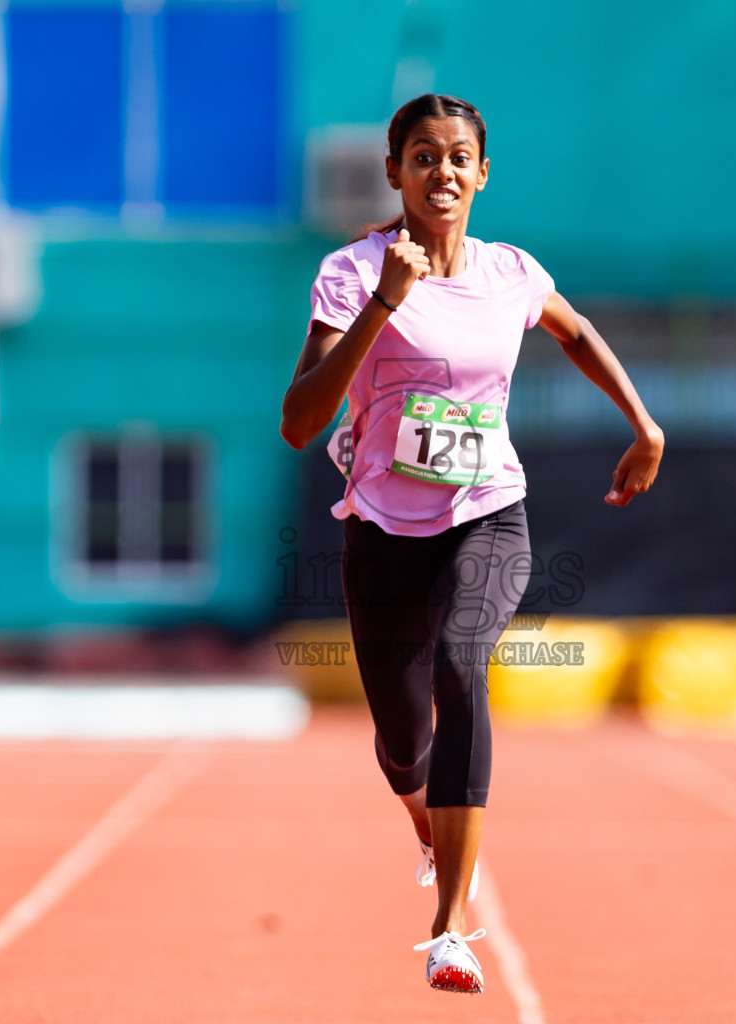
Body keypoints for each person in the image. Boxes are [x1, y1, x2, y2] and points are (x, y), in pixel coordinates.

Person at [280, 93, 663, 993]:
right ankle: (431, 823)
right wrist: (385, 302)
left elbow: (579, 333)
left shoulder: (511, 273)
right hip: (381, 529)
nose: (441, 172)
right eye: (422, 156)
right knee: (402, 747)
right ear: (393, 172)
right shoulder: (350, 271)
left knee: (463, 665)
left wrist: (643, 425)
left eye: (458, 158)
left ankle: (451, 925)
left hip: (487, 513)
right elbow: (301, 422)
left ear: (482, 173)